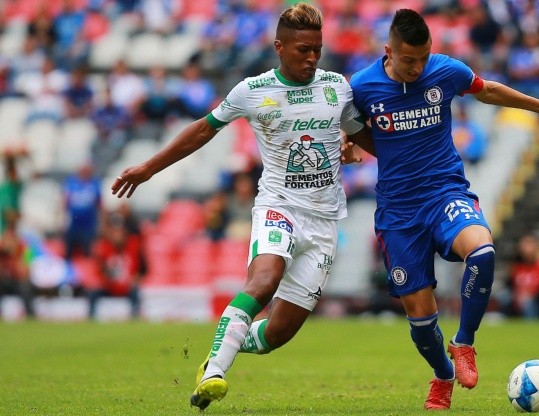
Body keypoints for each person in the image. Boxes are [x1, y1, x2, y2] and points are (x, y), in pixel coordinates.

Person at [110, 3, 369, 410]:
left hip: (323, 220)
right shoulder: (252, 90)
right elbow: (202, 130)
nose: (311, 57)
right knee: (263, 281)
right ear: (279, 47)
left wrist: (376, 151)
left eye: (317, 48)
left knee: (277, 335)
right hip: (278, 205)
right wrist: (148, 168)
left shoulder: (337, 86)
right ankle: (215, 370)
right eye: (302, 49)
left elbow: (362, 135)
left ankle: (224, 344)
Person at [348, 9, 539, 410]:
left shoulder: (444, 71)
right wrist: (351, 143)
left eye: (424, 58)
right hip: (398, 213)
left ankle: (465, 344)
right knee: (421, 322)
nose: (418, 68)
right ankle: (442, 375)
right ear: (388, 51)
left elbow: (488, 90)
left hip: (444, 193)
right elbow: (352, 127)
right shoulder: (362, 86)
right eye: (409, 61)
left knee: (483, 250)